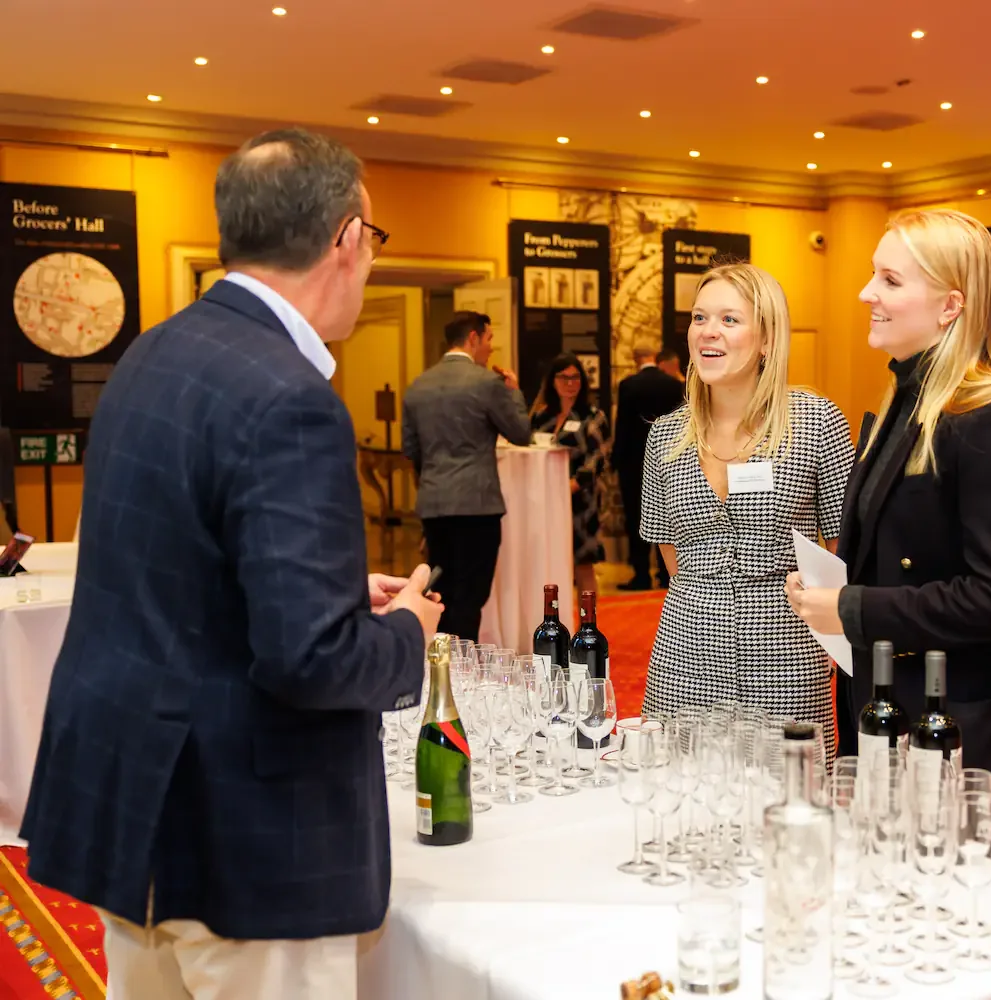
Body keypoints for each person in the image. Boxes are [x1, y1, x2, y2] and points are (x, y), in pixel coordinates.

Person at [20, 127, 444, 1000]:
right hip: (243, 840)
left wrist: (325, 591)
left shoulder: (154, 350)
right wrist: (405, 633)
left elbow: (172, 558)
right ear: (347, 240)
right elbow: (310, 660)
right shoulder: (290, 396)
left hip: (137, 805)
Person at [785, 208, 991, 783]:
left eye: (890, 280)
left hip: (954, 727)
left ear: (950, 305)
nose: (865, 293)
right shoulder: (902, 400)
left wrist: (853, 608)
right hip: (890, 709)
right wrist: (829, 588)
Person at [641, 263, 853, 762]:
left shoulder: (816, 421)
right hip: (684, 650)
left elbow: (847, 544)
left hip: (786, 653)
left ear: (766, 339)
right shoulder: (664, 435)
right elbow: (670, 548)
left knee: (790, 806)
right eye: (699, 317)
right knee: (685, 801)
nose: (708, 331)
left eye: (729, 319)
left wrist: (823, 625)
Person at [402, 310, 530, 641]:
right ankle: (462, 670)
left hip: (435, 504)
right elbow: (520, 432)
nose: (490, 348)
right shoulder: (486, 382)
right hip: (477, 504)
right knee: (471, 595)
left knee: (440, 591)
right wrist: (514, 392)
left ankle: (440, 664)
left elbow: (411, 449)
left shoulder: (418, 385)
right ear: (472, 338)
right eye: (488, 339)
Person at [530, 353, 611, 597]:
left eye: (575, 378)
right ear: (552, 381)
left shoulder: (593, 416)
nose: (570, 383)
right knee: (548, 566)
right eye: (563, 377)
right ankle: (552, 624)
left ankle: (588, 628)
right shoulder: (540, 416)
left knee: (583, 565)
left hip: (580, 502)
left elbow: (600, 458)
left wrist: (572, 485)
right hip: (543, 502)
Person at [613, 346, 686, 590]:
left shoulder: (628, 385)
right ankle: (667, 574)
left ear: (635, 359)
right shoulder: (674, 385)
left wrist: (616, 461)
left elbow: (622, 427)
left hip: (634, 463)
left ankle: (641, 574)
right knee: (668, 516)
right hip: (670, 460)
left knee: (636, 518)